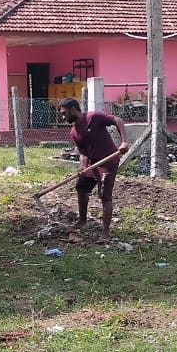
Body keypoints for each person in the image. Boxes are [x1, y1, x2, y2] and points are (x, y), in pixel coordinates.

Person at [58, 98, 128, 243]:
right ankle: (82, 220)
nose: (63, 117)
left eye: (64, 113)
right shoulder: (74, 132)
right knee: (81, 187)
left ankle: (105, 233)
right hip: (92, 163)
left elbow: (118, 121)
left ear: (73, 109)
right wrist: (84, 166)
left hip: (108, 162)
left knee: (104, 195)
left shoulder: (94, 117)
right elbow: (83, 152)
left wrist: (124, 142)